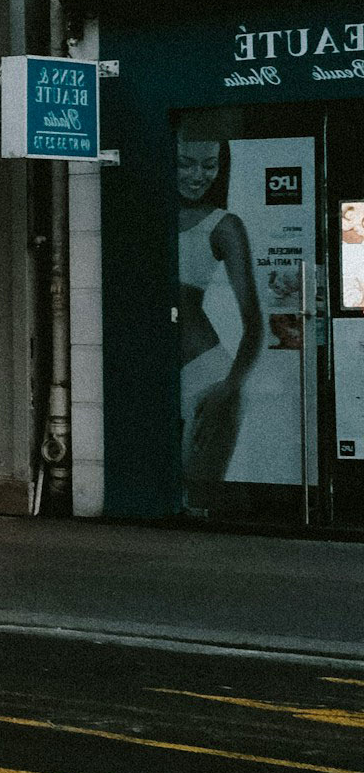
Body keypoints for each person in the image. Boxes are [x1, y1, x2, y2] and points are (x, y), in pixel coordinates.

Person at [178, 140, 262, 514]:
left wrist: (227, 389)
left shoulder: (225, 225)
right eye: (186, 163)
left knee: (198, 502)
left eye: (209, 165)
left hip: (205, 377)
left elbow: (254, 325)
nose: (198, 176)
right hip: (158, 373)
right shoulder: (145, 212)